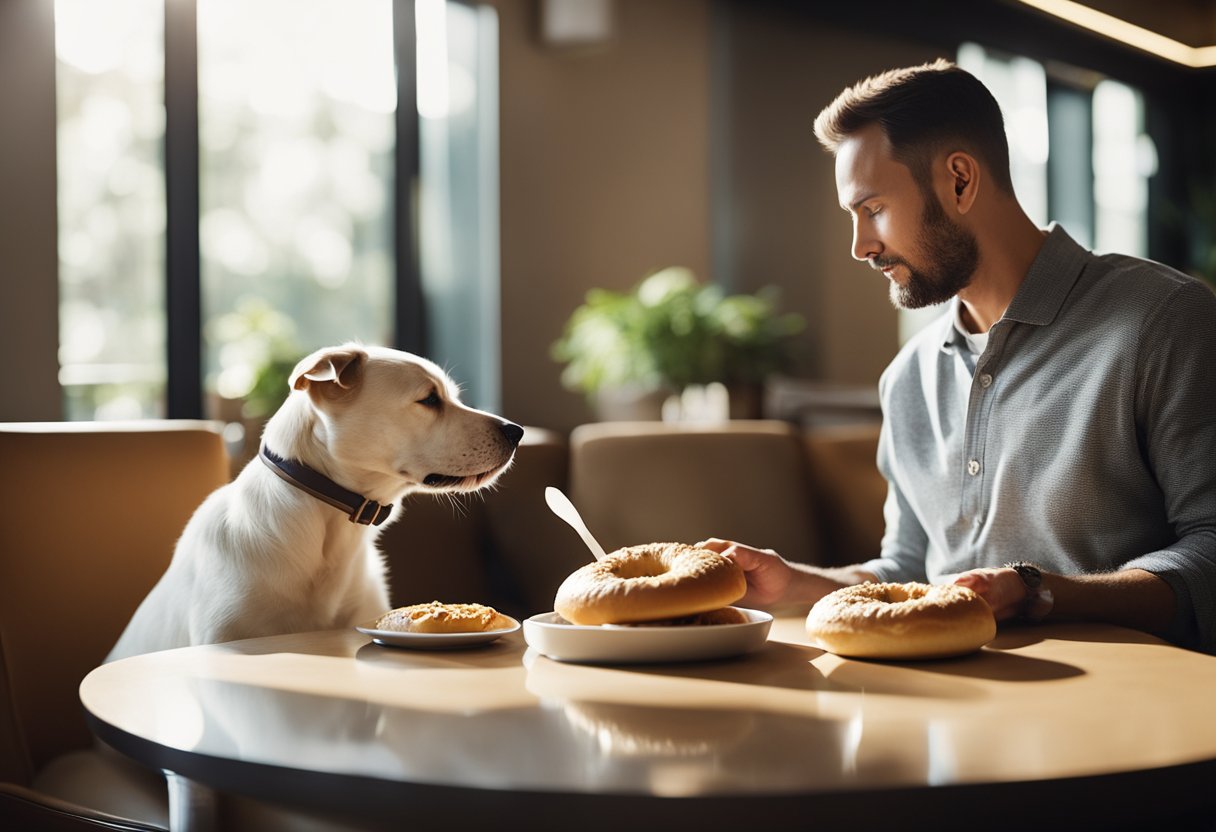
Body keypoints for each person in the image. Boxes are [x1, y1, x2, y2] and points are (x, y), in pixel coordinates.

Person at [701, 59, 1216, 653]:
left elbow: (1211, 550)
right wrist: (797, 584)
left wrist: (1040, 593)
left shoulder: (1163, 319)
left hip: (1130, 718)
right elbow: (910, 570)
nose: (860, 246)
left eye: (872, 210)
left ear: (960, 181)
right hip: (951, 723)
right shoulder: (908, 377)